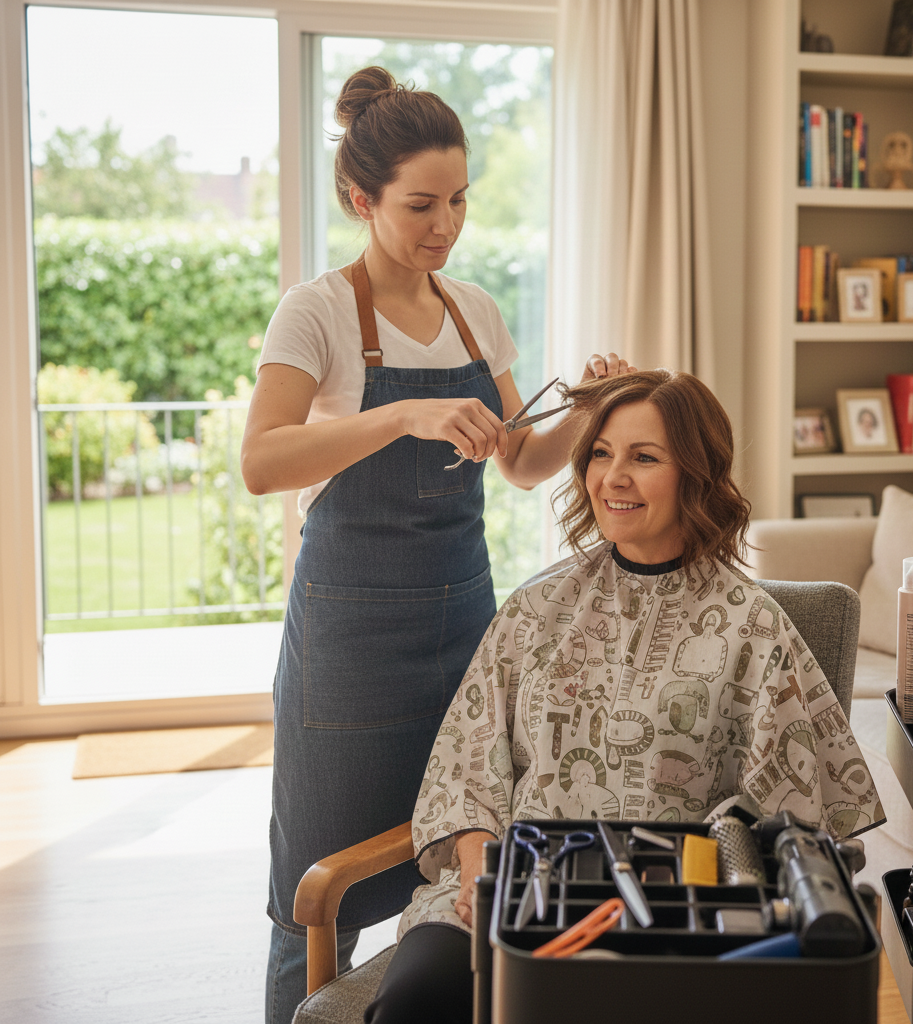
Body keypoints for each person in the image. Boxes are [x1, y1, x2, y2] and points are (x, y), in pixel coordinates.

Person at [241, 66, 634, 1024]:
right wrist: (404, 414)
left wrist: (587, 412)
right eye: (421, 204)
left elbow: (520, 461)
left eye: (458, 201)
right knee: (311, 886)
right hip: (347, 639)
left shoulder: (474, 309)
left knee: (463, 847)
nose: (444, 225)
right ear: (359, 198)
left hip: (464, 621)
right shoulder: (318, 311)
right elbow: (262, 461)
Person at [364, 369, 883, 1022]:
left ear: (695, 474)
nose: (614, 478)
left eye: (644, 457)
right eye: (602, 455)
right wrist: (476, 874)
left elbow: (803, 825)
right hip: (512, 900)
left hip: (670, 923)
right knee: (415, 1002)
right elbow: (468, 768)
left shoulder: (754, 628)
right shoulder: (536, 608)